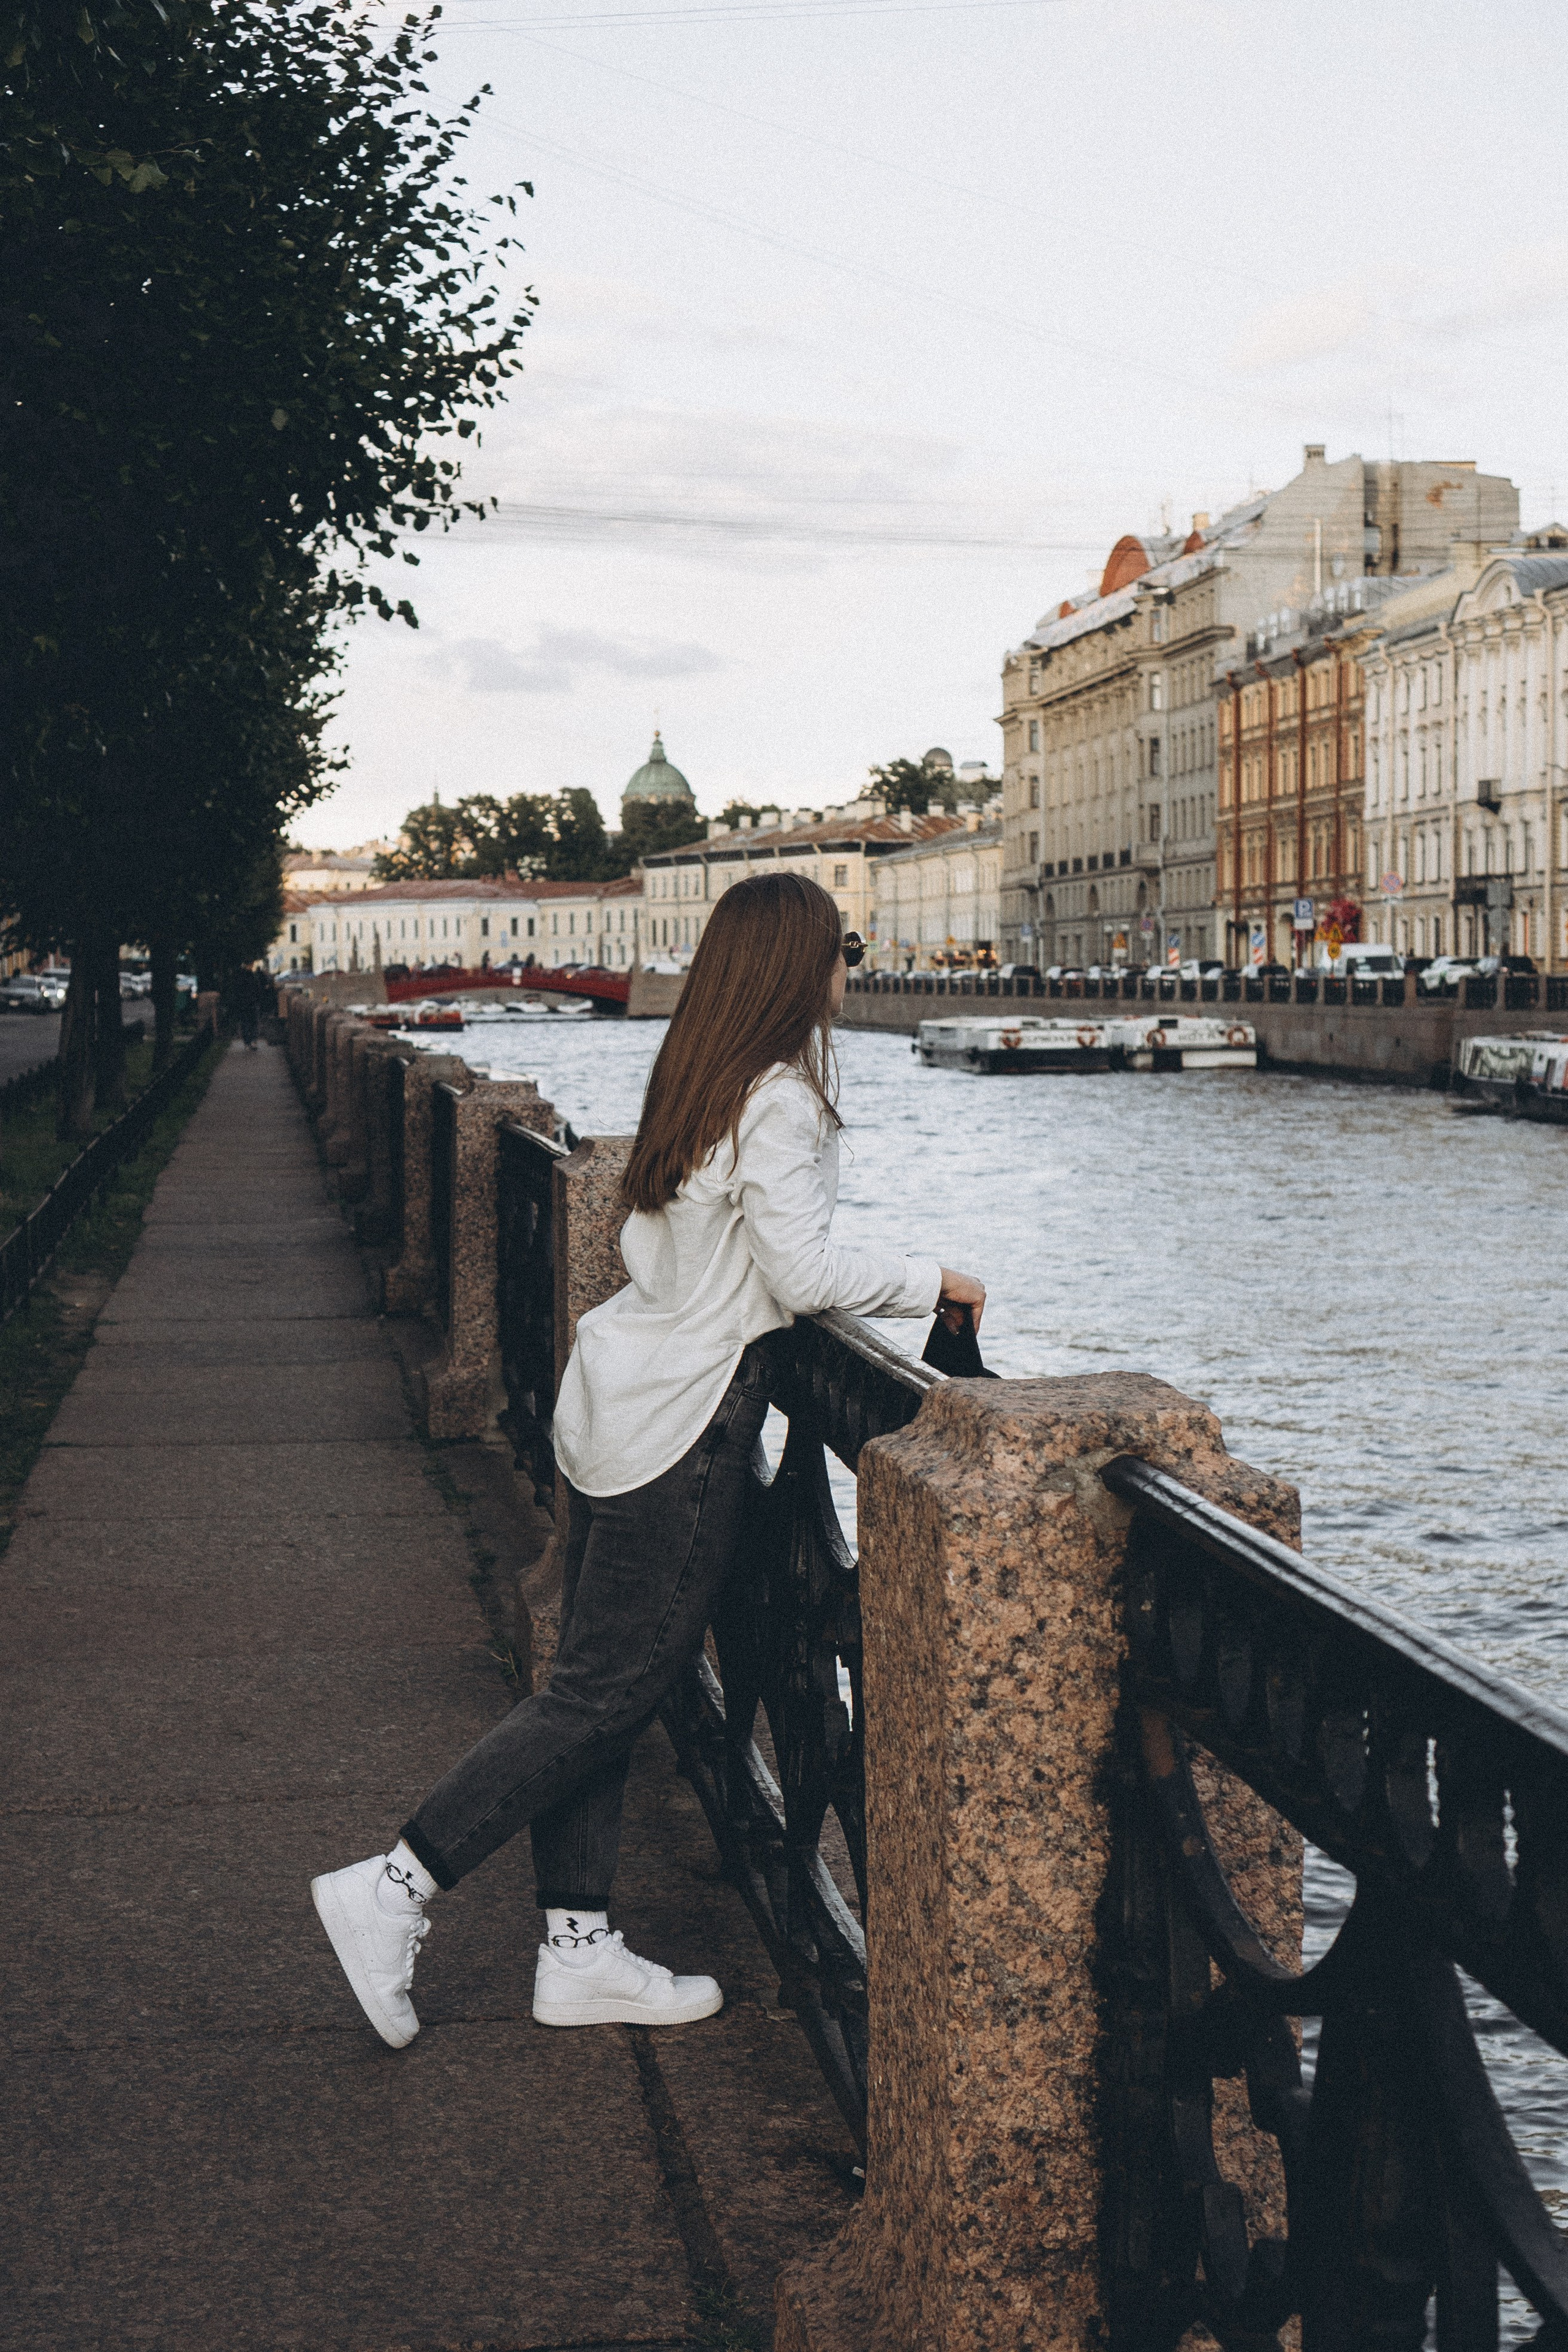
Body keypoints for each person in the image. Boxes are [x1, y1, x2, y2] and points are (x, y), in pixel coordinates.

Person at [311, 872, 985, 2045]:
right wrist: (943, 1281)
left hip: (612, 1399)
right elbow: (806, 1278)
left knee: (598, 1687)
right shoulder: (777, 1098)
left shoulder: (696, 1079)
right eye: (841, 951)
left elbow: (648, 1239)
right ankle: (393, 1888)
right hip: (685, 1422)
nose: (848, 971)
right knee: (606, 1691)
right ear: (792, 969)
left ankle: (578, 1947)